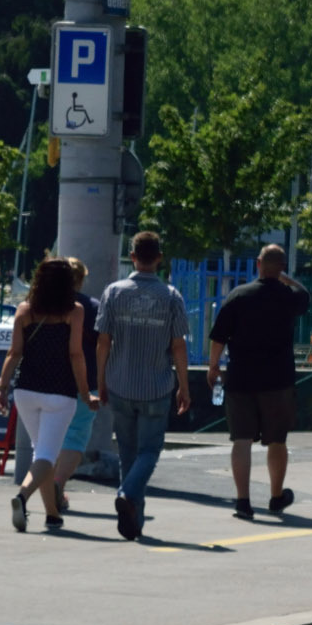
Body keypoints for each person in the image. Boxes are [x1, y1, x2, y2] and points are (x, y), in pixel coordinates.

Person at [96, 231, 190, 541]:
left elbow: (103, 342)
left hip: (120, 383)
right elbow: (178, 347)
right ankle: (127, 497)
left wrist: (101, 381)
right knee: (149, 451)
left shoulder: (113, 293)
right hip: (156, 385)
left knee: (127, 453)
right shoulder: (172, 297)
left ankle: (133, 519)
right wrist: (184, 387)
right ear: (159, 259)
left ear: (133, 257)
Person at [207, 243, 309, 518]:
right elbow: (304, 293)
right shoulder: (288, 297)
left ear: (257, 264)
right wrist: (283, 277)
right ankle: (276, 496)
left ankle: (243, 501)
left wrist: (213, 366)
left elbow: (218, 337)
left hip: (241, 378)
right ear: (283, 268)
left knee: (241, 440)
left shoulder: (238, 295)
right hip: (278, 380)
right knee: (277, 440)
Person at [0, 257, 87, 533]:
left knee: (42, 454)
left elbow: (14, 353)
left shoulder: (25, 311)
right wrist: (86, 392)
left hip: (26, 392)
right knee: (47, 455)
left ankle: (52, 514)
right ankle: (22, 497)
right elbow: (75, 354)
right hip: (60, 393)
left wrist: (2, 385)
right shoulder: (74, 311)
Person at [48, 256, 103, 507]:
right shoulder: (92, 307)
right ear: (80, 280)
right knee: (76, 435)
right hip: (84, 379)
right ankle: (58, 483)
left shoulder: (44, 305)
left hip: (48, 380)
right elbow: (104, 345)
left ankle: (47, 486)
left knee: (50, 436)